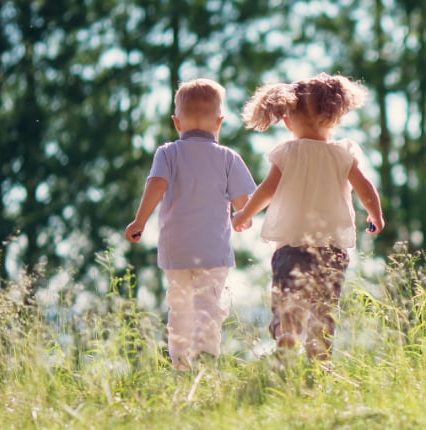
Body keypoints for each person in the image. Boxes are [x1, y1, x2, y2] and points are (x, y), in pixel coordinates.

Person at [232, 73, 384, 360]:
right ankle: (320, 359)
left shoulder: (289, 152)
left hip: (291, 245)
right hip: (331, 248)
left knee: (289, 297)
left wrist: (244, 213)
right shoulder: (343, 153)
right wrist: (375, 214)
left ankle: (288, 329)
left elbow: (267, 190)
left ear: (287, 120)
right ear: (333, 116)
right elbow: (366, 188)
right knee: (325, 307)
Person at [124, 78, 257, 371]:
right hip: (212, 251)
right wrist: (242, 218)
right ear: (219, 122)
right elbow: (244, 201)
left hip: (177, 251)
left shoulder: (167, 153)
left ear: (176, 122)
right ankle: (206, 361)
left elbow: (156, 185)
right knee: (208, 307)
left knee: (180, 309)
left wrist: (140, 220)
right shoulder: (227, 157)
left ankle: (181, 365)